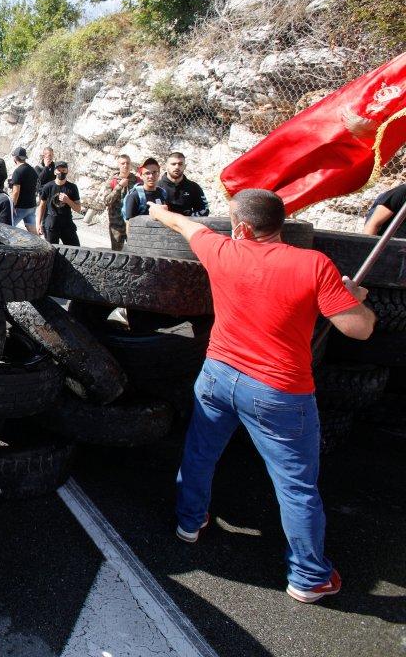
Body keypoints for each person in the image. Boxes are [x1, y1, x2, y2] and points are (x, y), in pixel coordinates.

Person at [146, 189, 375, 604]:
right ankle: (307, 578)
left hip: (217, 376)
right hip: (278, 393)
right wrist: (355, 300)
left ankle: (189, 523)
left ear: (243, 227)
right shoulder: (314, 265)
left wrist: (159, 212)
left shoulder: (222, 250)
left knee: (200, 454)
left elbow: (185, 224)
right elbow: (360, 329)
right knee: (296, 486)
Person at [36, 161, 81, 245]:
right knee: (51, 251)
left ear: (67, 171)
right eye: (59, 170)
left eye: (63, 170)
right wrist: (38, 224)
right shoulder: (48, 187)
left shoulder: (72, 188)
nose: (61, 172)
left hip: (67, 223)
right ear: (55, 171)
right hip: (51, 223)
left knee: (75, 249)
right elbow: (42, 206)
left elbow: (78, 209)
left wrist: (68, 200)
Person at [123, 157, 169, 231]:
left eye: (154, 172)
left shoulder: (162, 193)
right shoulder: (134, 196)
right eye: (147, 173)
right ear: (141, 175)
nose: (151, 176)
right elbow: (129, 225)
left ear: (159, 174)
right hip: (141, 238)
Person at [103, 154, 138, 250]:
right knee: (117, 253)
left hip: (132, 224)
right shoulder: (112, 181)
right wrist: (119, 186)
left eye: (128, 163)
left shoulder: (136, 181)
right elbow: (107, 201)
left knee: (135, 253)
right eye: (123, 163)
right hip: (116, 224)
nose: (125, 165)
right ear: (118, 165)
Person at [158, 152, 209, 217]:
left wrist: (189, 216)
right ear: (166, 166)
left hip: (186, 225)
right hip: (162, 226)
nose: (177, 167)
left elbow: (204, 210)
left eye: (180, 164)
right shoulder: (157, 187)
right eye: (173, 164)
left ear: (185, 166)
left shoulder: (193, 187)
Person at [8, 147, 39, 234]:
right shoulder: (32, 170)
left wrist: (12, 206)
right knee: (33, 231)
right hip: (31, 206)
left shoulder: (18, 171)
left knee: (7, 228)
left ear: (15, 158)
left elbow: (16, 192)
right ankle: (40, 246)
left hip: (20, 207)